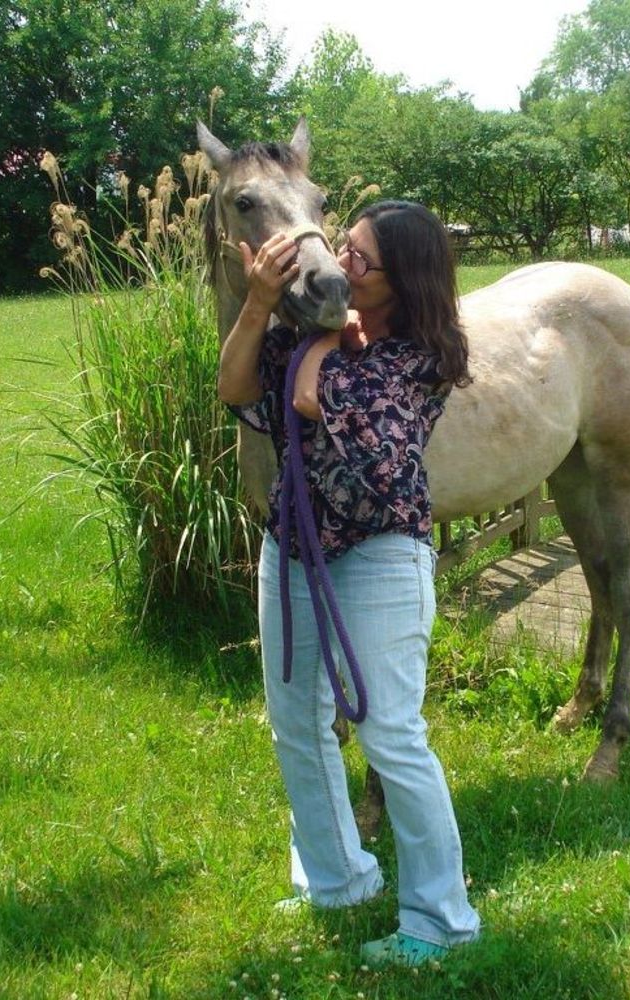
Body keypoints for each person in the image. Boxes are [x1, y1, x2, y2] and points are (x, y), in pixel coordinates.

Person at [217, 200, 480, 967]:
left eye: (360, 260)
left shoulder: (422, 356)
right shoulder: (301, 331)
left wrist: (327, 336)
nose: (340, 265)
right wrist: (260, 305)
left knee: (390, 735)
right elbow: (236, 390)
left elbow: (311, 400)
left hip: (380, 555)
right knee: (297, 724)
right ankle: (336, 879)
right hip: (292, 548)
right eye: (343, 247)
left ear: (405, 279)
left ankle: (442, 921)